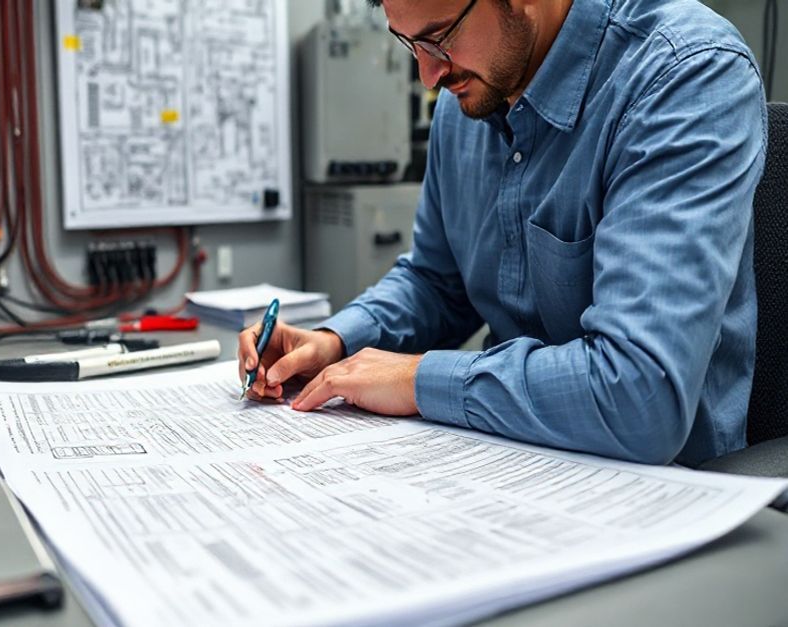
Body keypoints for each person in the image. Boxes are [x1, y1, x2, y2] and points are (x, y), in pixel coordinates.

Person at [238, 0, 767, 467]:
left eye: (439, 37)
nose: (427, 75)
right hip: (504, 461)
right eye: (408, 42)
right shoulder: (465, 101)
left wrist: (418, 379)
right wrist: (337, 341)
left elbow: (638, 395)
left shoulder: (684, 76)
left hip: (665, 486)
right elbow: (436, 283)